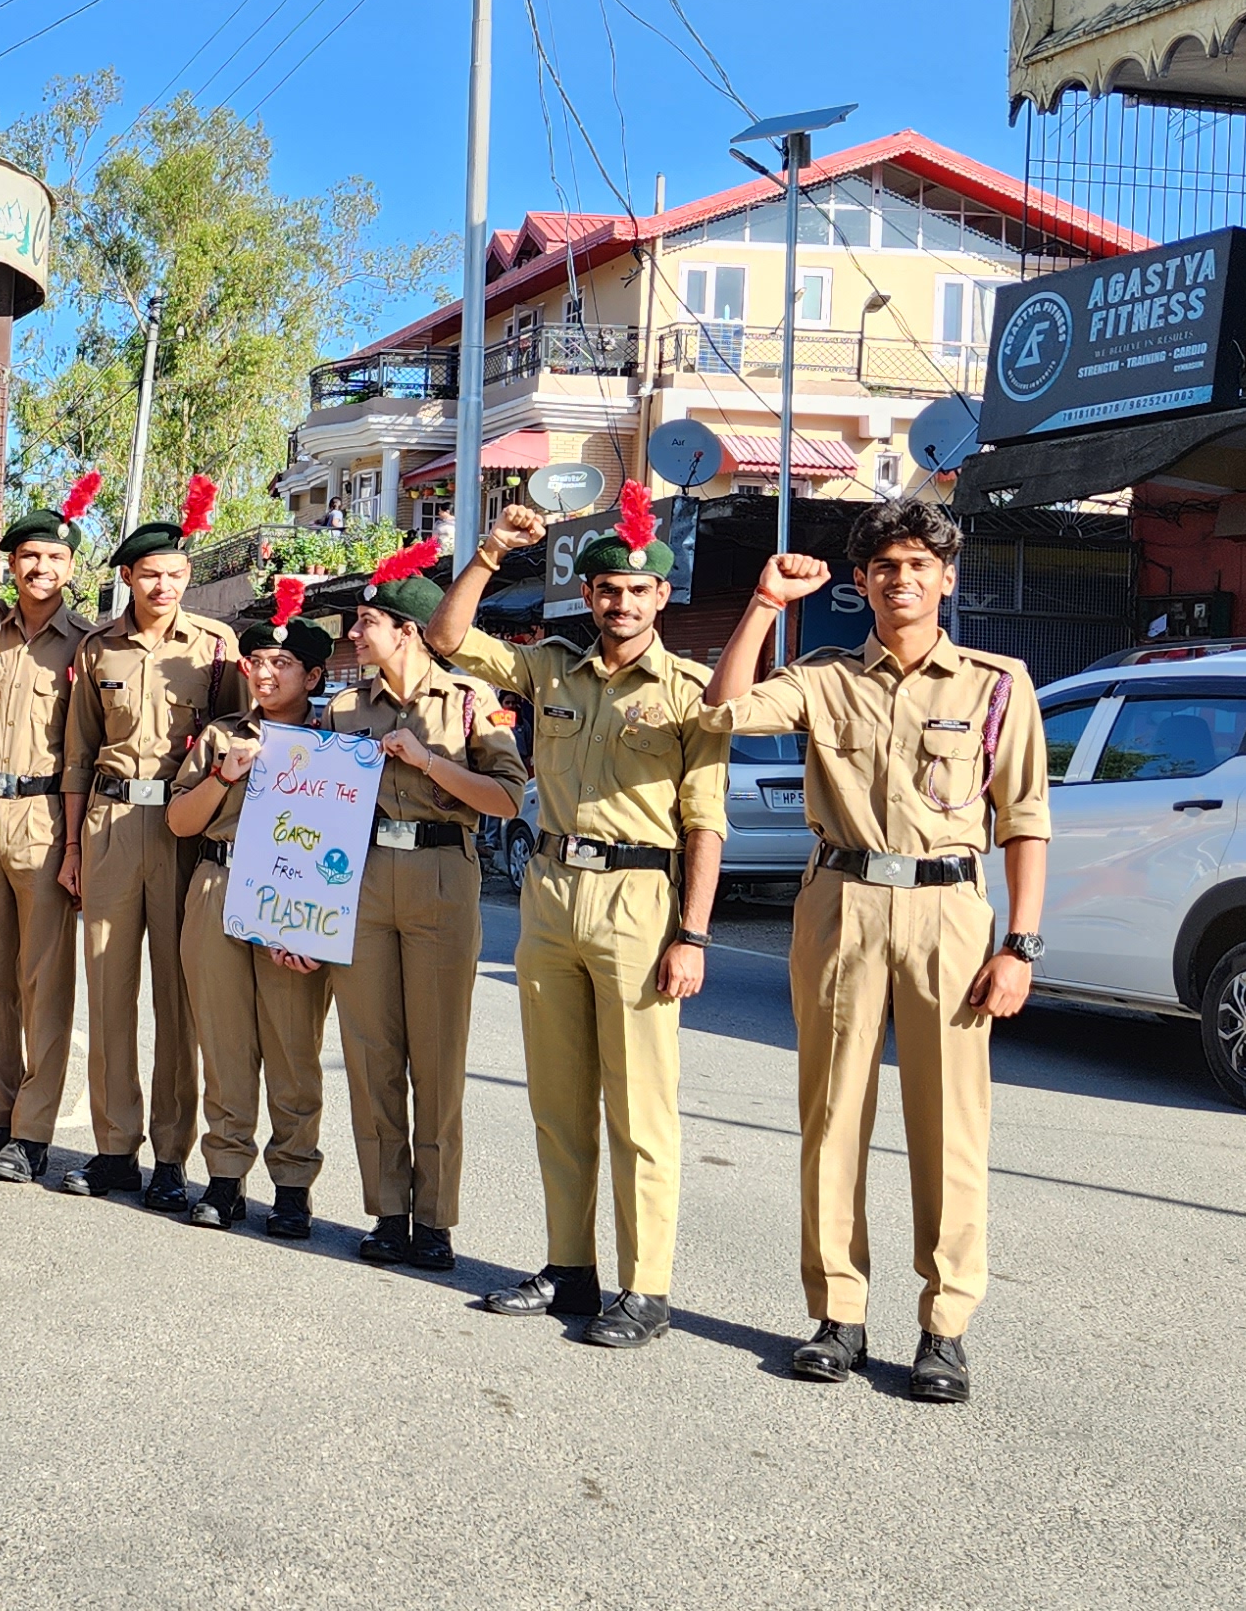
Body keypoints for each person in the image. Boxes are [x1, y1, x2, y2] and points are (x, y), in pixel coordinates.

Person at [698, 500, 1048, 1406]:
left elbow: (1025, 825)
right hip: (841, 905)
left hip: (948, 913)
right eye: (885, 566)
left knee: (950, 1128)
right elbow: (725, 709)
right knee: (832, 1114)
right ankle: (837, 1314)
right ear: (860, 582)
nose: (902, 579)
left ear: (946, 576)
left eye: (918, 564)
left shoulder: (997, 683)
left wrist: (1020, 945)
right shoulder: (822, 679)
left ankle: (945, 1328)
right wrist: (766, 605)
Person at [428, 485, 729, 1347]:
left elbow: (705, 822)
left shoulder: (689, 691)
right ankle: (570, 1269)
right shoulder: (551, 667)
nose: (622, 602)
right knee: (559, 1101)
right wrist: (488, 553)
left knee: (640, 1107)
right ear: (588, 596)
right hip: (552, 892)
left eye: (639, 590)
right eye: (606, 589)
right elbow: (449, 641)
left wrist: (694, 935)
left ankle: (647, 1288)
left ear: (662, 597)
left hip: (640, 900)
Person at [325, 542, 525, 1271]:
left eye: (367, 621)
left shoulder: (472, 703)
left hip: (444, 871)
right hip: (364, 874)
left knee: (437, 1058)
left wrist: (428, 761)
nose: (355, 634)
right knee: (371, 1052)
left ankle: (436, 1219)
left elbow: (508, 797)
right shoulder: (346, 708)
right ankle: (387, 1210)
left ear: (407, 630)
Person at [58, 477, 241, 1207]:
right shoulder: (98, 648)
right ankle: (112, 1151)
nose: (163, 585)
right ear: (127, 578)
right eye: (149, 575)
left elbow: (239, 744)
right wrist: (73, 849)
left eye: (175, 574)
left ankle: (171, 1157)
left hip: (182, 830)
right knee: (108, 993)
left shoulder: (218, 648)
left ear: (187, 577)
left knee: (178, 998)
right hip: (107, 825)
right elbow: (77, 754)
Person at [162, 581, 337, 1237]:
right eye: (257, 661)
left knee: (294, 1048)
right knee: (224, 1044)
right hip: (218, 885)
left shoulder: (334, 747)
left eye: (282, 664)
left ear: (314, 674)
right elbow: (181, 823)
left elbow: (342, 844)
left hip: (295, 900)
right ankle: (226, 1176)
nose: (265, 673)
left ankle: (292, 1185)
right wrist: (224, 774)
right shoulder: (220, 737)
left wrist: (315, 926)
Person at [0, 472, 94, 1187]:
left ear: (72, 568)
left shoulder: (85, 644)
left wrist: (75, 844)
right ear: (11, 564)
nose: (41, 570)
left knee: (45, 980)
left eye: (55, 559)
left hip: (44, 814)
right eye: (29, 557)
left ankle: (33, 1131)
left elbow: (86, 748)